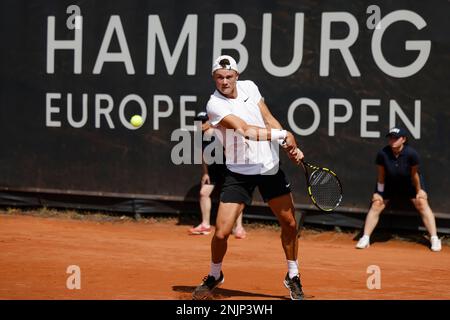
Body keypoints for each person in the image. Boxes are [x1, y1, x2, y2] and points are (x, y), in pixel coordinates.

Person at [192, 55, 305, 300]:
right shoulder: (215, 105)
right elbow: (245, 131)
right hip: (239, 172)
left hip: (269, 168)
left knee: (290, 224)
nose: (224, 82)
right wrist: (284, 135)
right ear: (214, 78)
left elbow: (267, 118)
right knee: (221, 233)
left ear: (237, 75)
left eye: (229, 76)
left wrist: (287, 143)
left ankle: (293, 275)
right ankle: (215, 274)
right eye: (219, 77)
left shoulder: (250, 87)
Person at [356, 127, 442, 252]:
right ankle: (365, 238)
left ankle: (434, 238)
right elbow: (381, 175)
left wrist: (419, 191)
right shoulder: (382, 154)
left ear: (403, 140)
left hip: (409, 183)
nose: (392, 140)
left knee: (422, 203)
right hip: (390, 183)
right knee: (376, 205)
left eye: (396, 138)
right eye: (391, 137)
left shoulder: (412, 154)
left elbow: (414, 175)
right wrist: (379, 193)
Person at [189, 112, 247, 239]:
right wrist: (205, 172)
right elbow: (202, 155)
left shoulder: (220, 133)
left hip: (228, 169)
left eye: (203, 121)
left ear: (209, 121)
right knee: (204, 193)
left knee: (235, 197)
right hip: (213, 170)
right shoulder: (199, 136)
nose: (200, 124)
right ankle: (205, 225)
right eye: (198, 122)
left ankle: (239, 228)